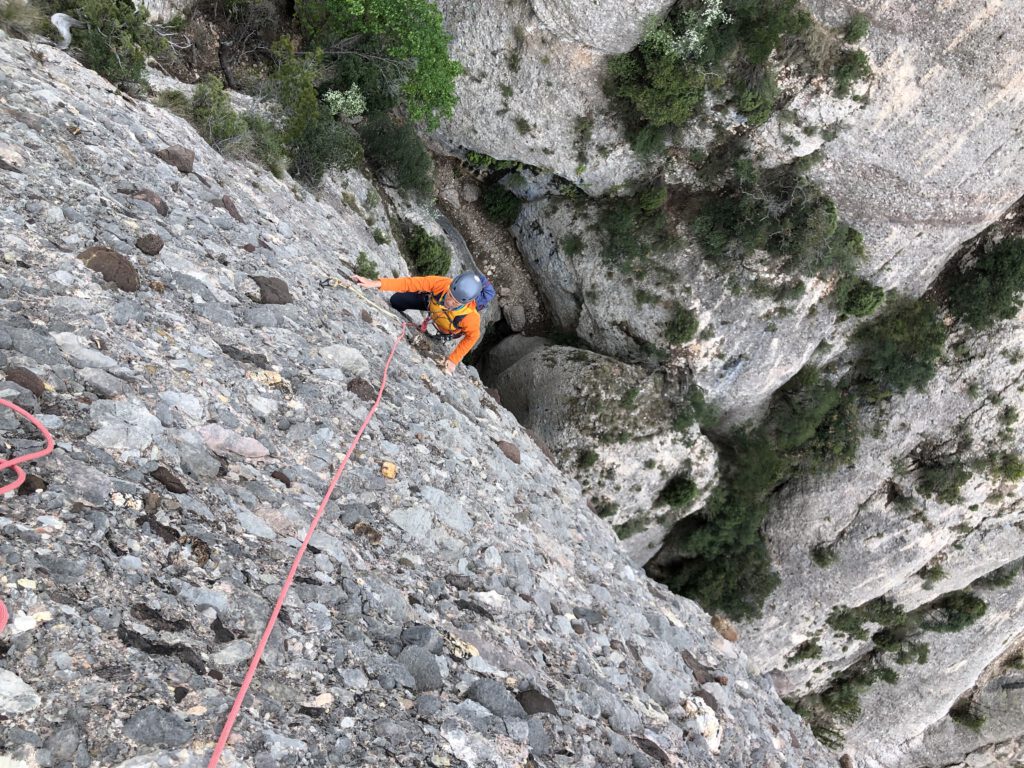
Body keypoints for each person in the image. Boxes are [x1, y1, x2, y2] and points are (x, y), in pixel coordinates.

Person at [353, 271, 491, 373]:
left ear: (467, 302)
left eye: (455, 302)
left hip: (448, 327)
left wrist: (453, 360)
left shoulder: (470, 318)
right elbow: (411, 283)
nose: (449, 302)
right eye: (450, 295)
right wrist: (376, 283)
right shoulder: (442, 284)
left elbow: (472, 336)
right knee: (396, 301)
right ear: (450, 287)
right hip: (431, 305)